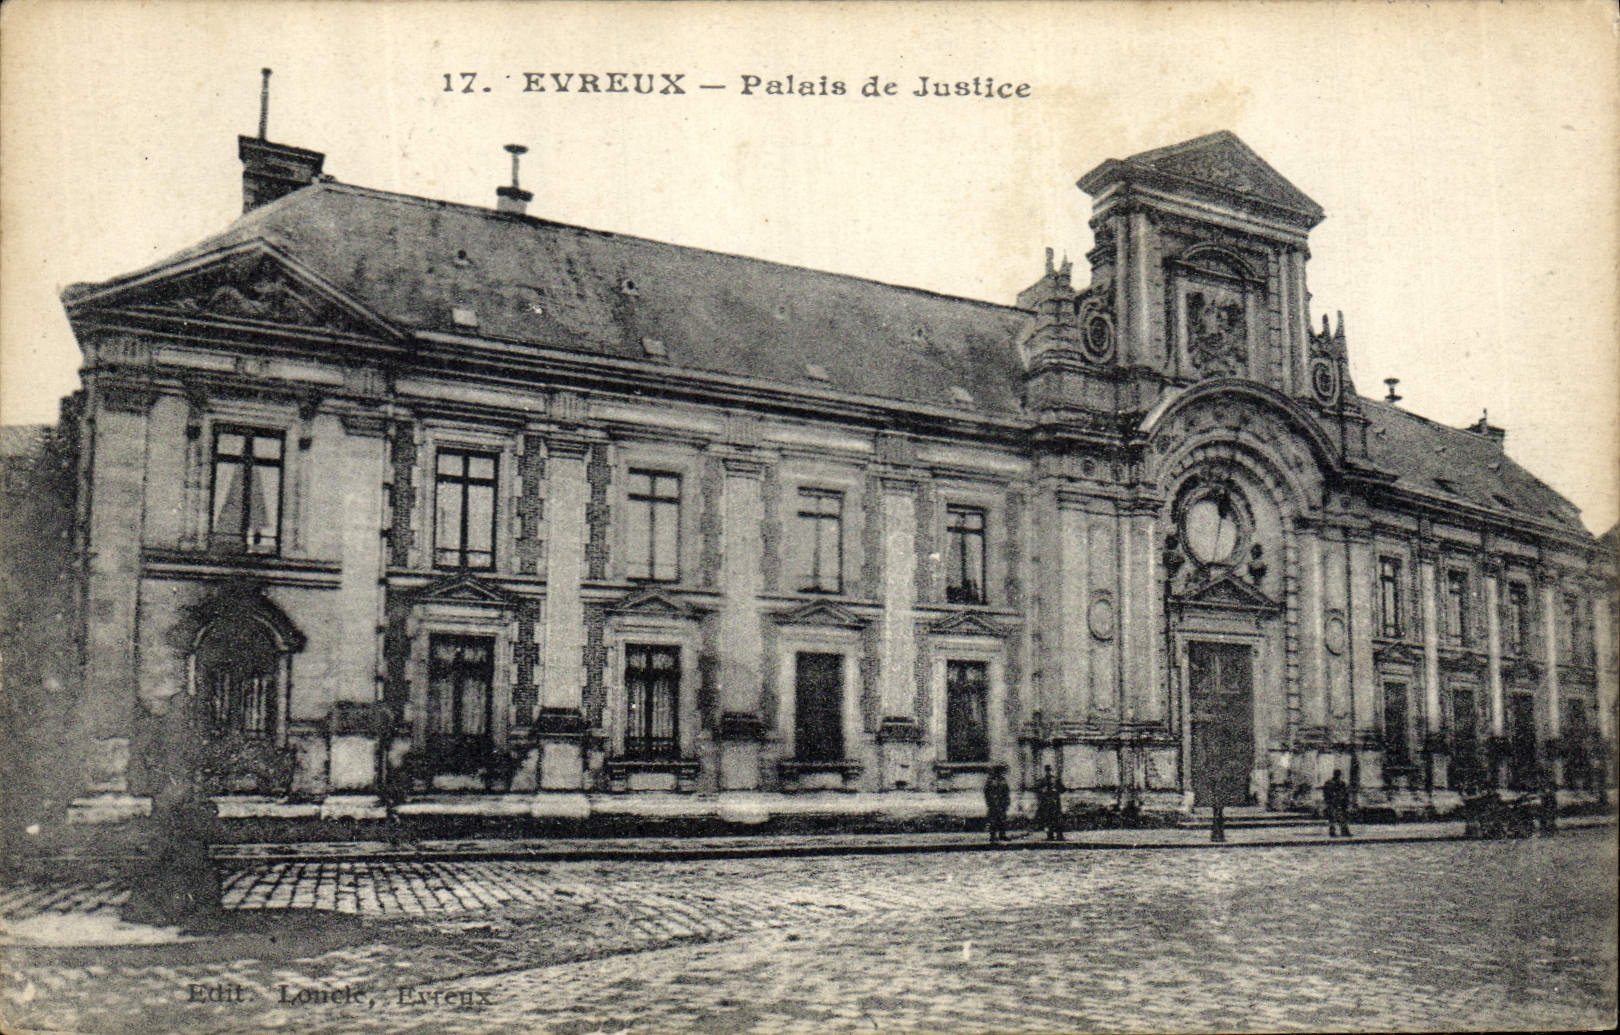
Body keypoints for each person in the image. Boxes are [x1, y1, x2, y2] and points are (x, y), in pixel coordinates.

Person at [1035, 765, 1065, 841]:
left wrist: (1056, 790)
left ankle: (1059, 835)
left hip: (1055, 802)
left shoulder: (1056, 780)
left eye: (1050, 770)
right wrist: (1042, 791)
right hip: (1046, 803)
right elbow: (1037, 789)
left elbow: (1063, 789)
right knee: (1048, 819)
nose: (1049, 772)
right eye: (1047, 771)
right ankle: (1050, 835)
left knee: (1058, 819)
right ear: (1045, 771)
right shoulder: (1042, 780)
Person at [983, 766, 1011, 844]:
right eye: (998, 771)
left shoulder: (1003, 780)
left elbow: (1006, 791)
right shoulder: (991, 780)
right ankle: (992, 836)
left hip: (1002, 803)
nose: (999, 773)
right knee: (993, 820)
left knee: (1002, 819)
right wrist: (990, 801)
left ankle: (1002, 835)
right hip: (993, 804)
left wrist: (1007, 801)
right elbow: (986, 792)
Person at [1322, 769, 1352, 838]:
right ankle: (1333, 832)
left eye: (1338, 774)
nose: (1338, 775)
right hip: (1333, 803)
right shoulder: (1329, 783)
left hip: (1340, 803)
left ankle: (1344, 831)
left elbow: (1345, 793)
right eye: (1337, 774)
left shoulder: (1342, 783)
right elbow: (1326, 793)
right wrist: (1328, 801)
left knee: (1341, 817)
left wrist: (1345, 801)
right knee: (1333, 818)